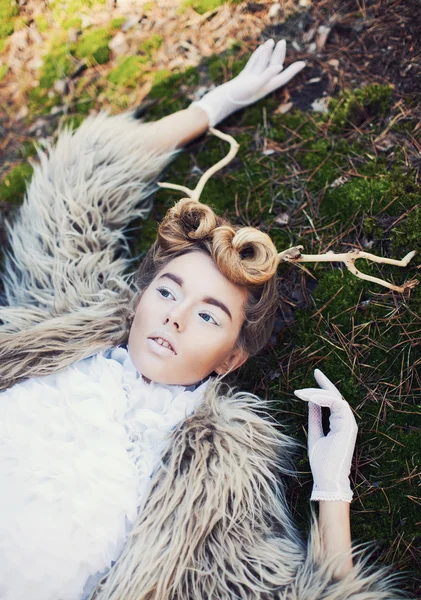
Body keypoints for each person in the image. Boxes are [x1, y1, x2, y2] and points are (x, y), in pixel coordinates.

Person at [0, 39, 407, 599]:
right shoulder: (67, 320)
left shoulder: (215, 481)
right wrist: (215, 105)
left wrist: (332, 485)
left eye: (209, 316)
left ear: (232, 359)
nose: (174, 318)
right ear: (141, 298)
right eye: (168, 291)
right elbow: (74, 184)